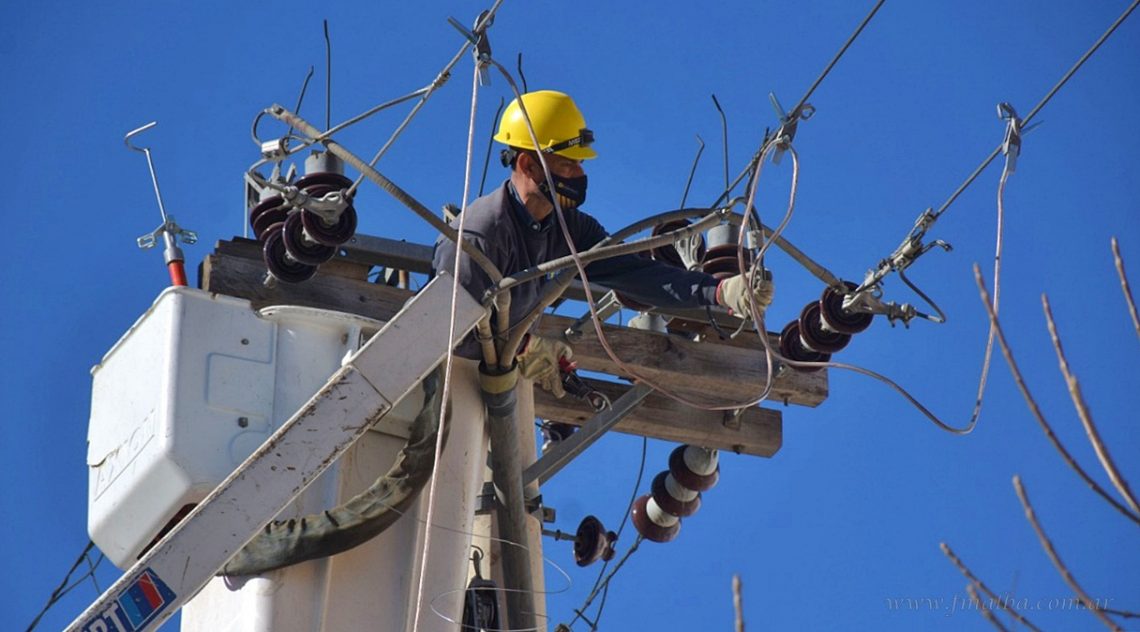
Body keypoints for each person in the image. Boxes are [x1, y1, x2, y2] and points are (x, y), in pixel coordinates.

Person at [432, 89, 773, 399]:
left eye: (581, 163)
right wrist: (527, 347)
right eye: (567, 163)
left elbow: (635, 273)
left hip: (496, 386)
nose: (579, 175)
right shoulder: (481, 234)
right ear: (527, 164)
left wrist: (719, 291)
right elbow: (448, 329)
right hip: (447, 384)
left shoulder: (568, 228)